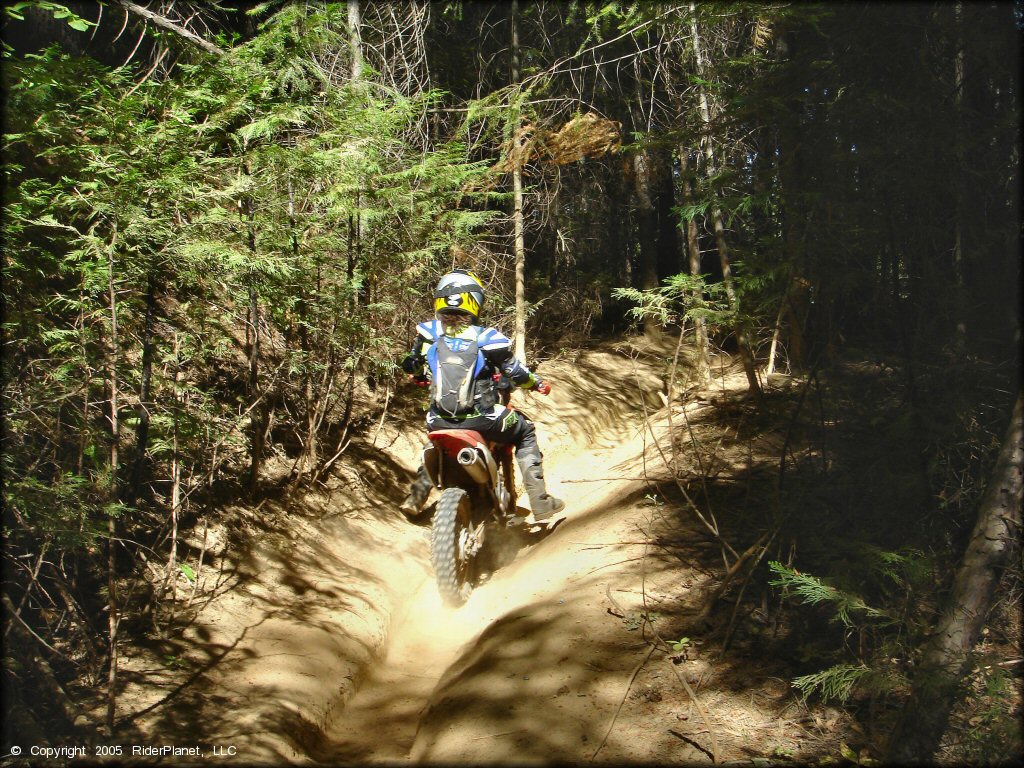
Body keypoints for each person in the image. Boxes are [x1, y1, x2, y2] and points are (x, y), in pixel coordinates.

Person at [400, 268, 565, 522]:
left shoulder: (429, 333)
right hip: (483, 418)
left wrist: (420, 377)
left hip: (437, 420)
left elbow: (411, 365)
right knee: (526, 429)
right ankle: (540, 502)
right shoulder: (487, 338)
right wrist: (537, 384)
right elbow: (517, 373)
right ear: (475, 300)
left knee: (435, 441)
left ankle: (416, 497)